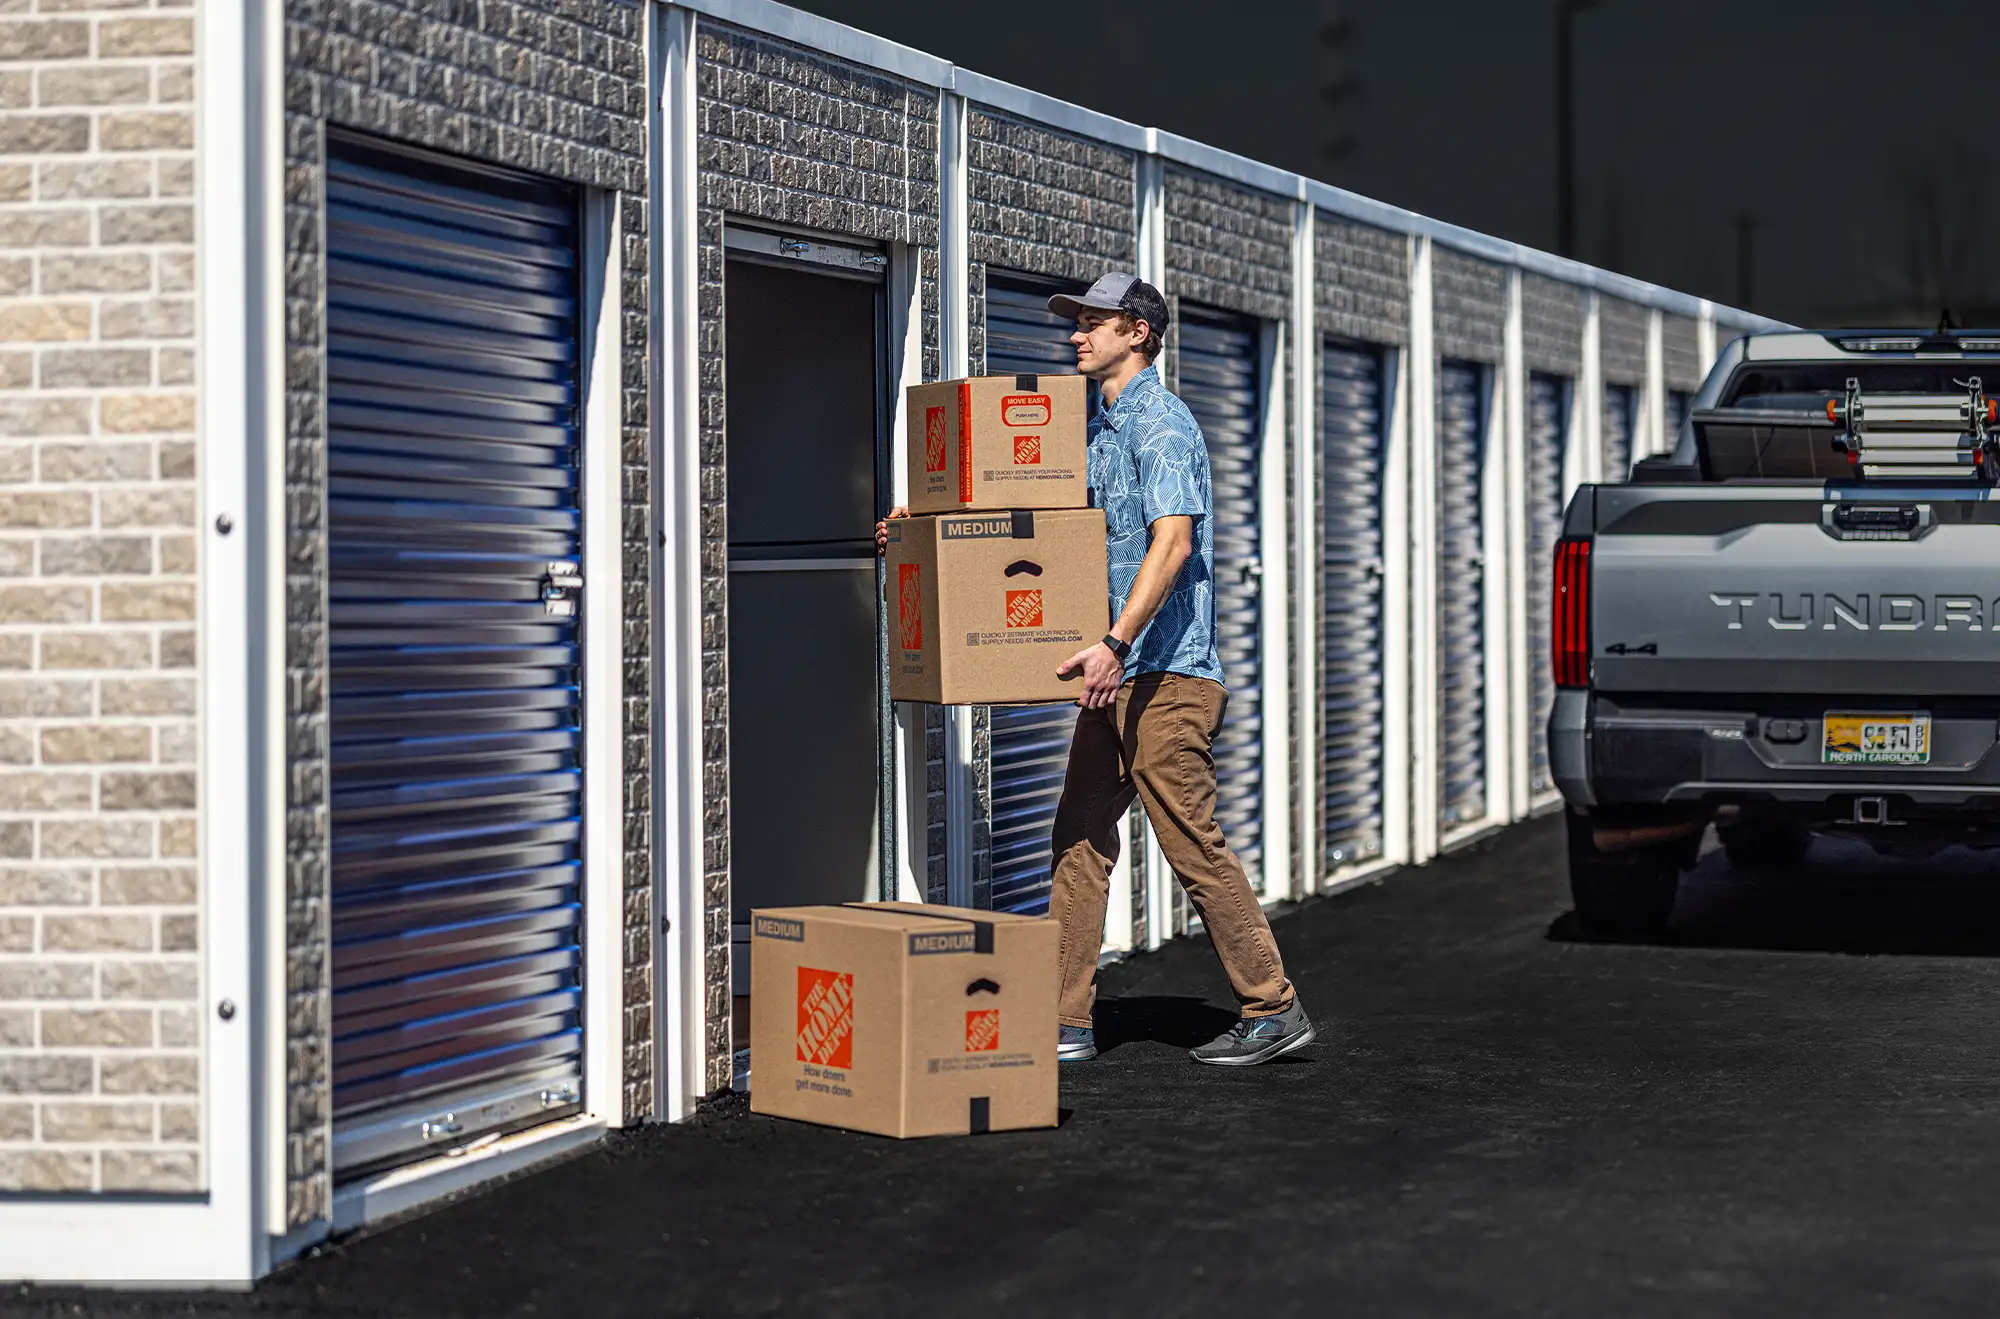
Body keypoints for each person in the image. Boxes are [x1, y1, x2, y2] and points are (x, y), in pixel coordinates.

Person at [878, 271, 1312, 1068]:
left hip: (1166, 676)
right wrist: (929, 522)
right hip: (1115, 678)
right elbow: (1047, 530)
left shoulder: (1163, 426)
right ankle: (1068, 1018)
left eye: (1094, 322)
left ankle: (1273, 1004)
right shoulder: (1102, 431)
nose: (1076, 334)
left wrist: (1114, 641)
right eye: (1076, 323)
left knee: (1190, 844)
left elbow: (1173, 543)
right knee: (1078, 835)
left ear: (1138, 333)